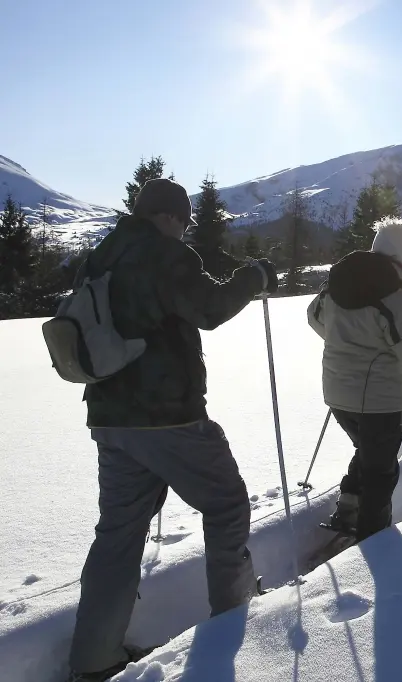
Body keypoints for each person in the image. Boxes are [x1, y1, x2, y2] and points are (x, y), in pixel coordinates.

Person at [67, 179, 278, 682]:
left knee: (117, 534)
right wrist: (255, 277)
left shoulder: (100, 257)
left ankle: (93, 660)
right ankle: (233, 620)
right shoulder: (162, 253)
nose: (183, 230)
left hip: (109, 417)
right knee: (226, 504)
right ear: (166, 217)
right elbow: (209, 309)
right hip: (168, 417)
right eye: (181, 221)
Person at [307, 217, 402, 541]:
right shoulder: (398, 296)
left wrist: (347, 344)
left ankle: (349, 504)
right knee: (381, 472)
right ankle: (373, 540)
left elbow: (314, 318)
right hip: (379, 400)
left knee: (367, 450)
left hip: (337, 394)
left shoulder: (337, 284)